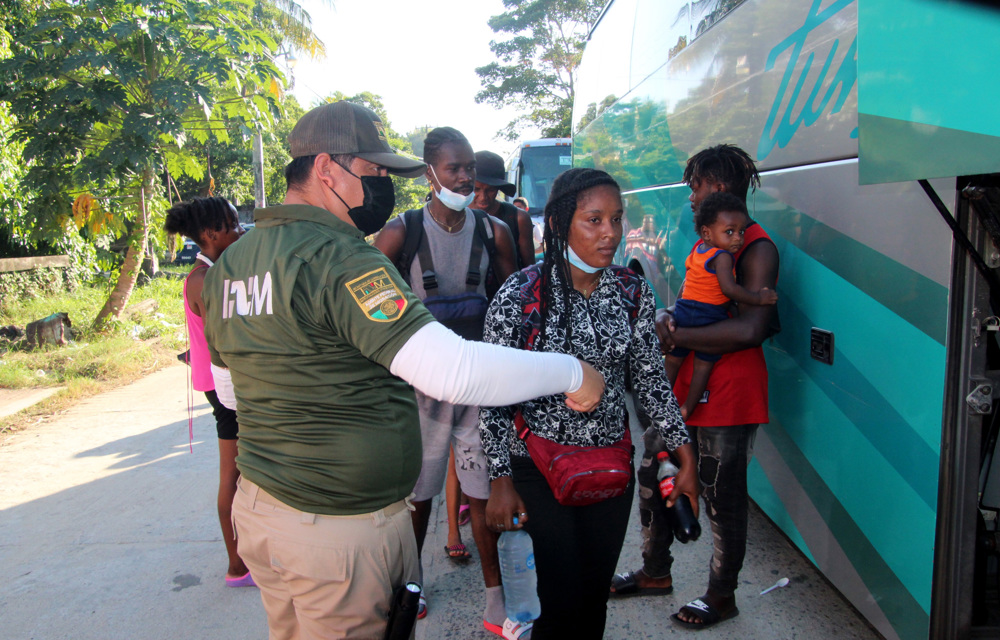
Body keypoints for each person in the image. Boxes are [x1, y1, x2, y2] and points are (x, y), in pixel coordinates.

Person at [201, 101, 606, 640]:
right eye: (373, 173)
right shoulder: (341, 258)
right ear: (327, 169)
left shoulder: (235, 262)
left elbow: (229, 392)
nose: (382, 187)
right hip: (336, 531)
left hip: (265, 513)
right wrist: (572, 372)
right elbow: (451, 370)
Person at [480, 168, 698, 640]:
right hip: (537, 466)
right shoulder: (518, 296)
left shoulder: (631, 291)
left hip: (609, 465)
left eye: (616, 220)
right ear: (559, 224)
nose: (611, 234)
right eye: (594, 220)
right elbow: (491, 394)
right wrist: (498, 477)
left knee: (593, 595)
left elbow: (650, 381)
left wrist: (685, 456)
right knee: (560, 600)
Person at [610, 144, 779, 632]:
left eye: (697, 186)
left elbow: (750, 330)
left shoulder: (756, 248)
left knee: (721, 497)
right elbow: (691, 301)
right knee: (654, 473)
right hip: (687, 385)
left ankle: (721, 596)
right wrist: (667, 316)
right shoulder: (710, 242)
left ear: (720, 188)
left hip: (729, 393)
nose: (690, 196)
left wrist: (677, 334)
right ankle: (655, 571)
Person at [374, 127, 518, 632]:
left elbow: (514, 302)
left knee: (482, 494)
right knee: (419, 497)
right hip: (422, 389)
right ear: (429, 171)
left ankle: (496, 595)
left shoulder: (492, 232)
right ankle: (409, 590)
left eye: (469, 169)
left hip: (478, 383)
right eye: (454, 168)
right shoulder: (400, 233)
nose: (464, 177)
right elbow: (369, 310)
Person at [163, 196, 250, 588]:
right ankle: (236, 566)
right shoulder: (203, 278)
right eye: (233, 224)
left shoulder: (216, 270)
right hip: (224, 387)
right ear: (212, 233)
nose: (240, 229)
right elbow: (228, 339)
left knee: (244, 472)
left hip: (224, 381)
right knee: (231, 474)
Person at [664, 192, 777, 420]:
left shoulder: (698, 251)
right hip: (708, 315)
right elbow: (729, 290)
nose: (738, 238)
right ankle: (687, 408)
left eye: (741, 232)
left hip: (686, 310)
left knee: (673, 360)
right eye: (730, 232)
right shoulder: (723, 257)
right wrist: (759, 299)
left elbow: (686, 287)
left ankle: (660, 401)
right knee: (703, 366)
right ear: (707, 232)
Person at [473, 150, 535, 269]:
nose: (483, 197)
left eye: (490, 190)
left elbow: (529, 271)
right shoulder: (457, 215)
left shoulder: (518, 219)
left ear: (498, 189)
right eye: (476, 189)